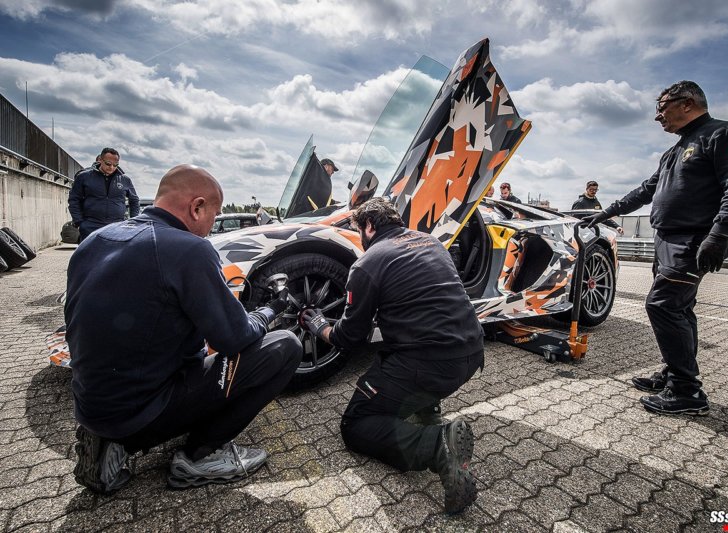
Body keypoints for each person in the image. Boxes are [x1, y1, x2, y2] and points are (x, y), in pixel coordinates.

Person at [66, 164, 303, 494]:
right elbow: (233, 338)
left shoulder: (95, 240)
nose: (211, 227)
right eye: (214, 214)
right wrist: (270, 310)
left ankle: (111, 442)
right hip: (141, 409)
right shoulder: (189, 249)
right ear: (197, 206)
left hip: (93, 403)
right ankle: (199, 456)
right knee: (285, 346)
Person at [300, 198, 484, 514]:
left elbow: (347, 337)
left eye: (359, 231)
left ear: (369, 226)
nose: (360, 238)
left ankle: (438, 446)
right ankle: (426, 410)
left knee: (356, 425)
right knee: (400, 355)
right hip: (471, 353)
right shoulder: (430, 243)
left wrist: (318, 326)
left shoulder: (368, 263)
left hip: (430, 364)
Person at [586, 80, 728, 416]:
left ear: (687, 102)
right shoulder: (676, 149)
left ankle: (686, 391)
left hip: (693, 239)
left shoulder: (726, 135)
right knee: (679, 309)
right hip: (667, 239)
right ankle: (672, 372)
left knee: (662, 306)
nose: (657, 117)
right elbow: (648, 188)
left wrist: (720, 233)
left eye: (661, 107)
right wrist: (608, 211)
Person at [68, 147, 140, 242]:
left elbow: (134, 201)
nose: (111, 167)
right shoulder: (84, 177)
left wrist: (133, 222)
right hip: (91, 226)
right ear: (100, 160)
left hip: (116, 227)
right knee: (90, 256)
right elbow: (74, 199)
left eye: (115, 165)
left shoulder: (125, 180)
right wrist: (79, 222)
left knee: (115, 256)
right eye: (108, 164)